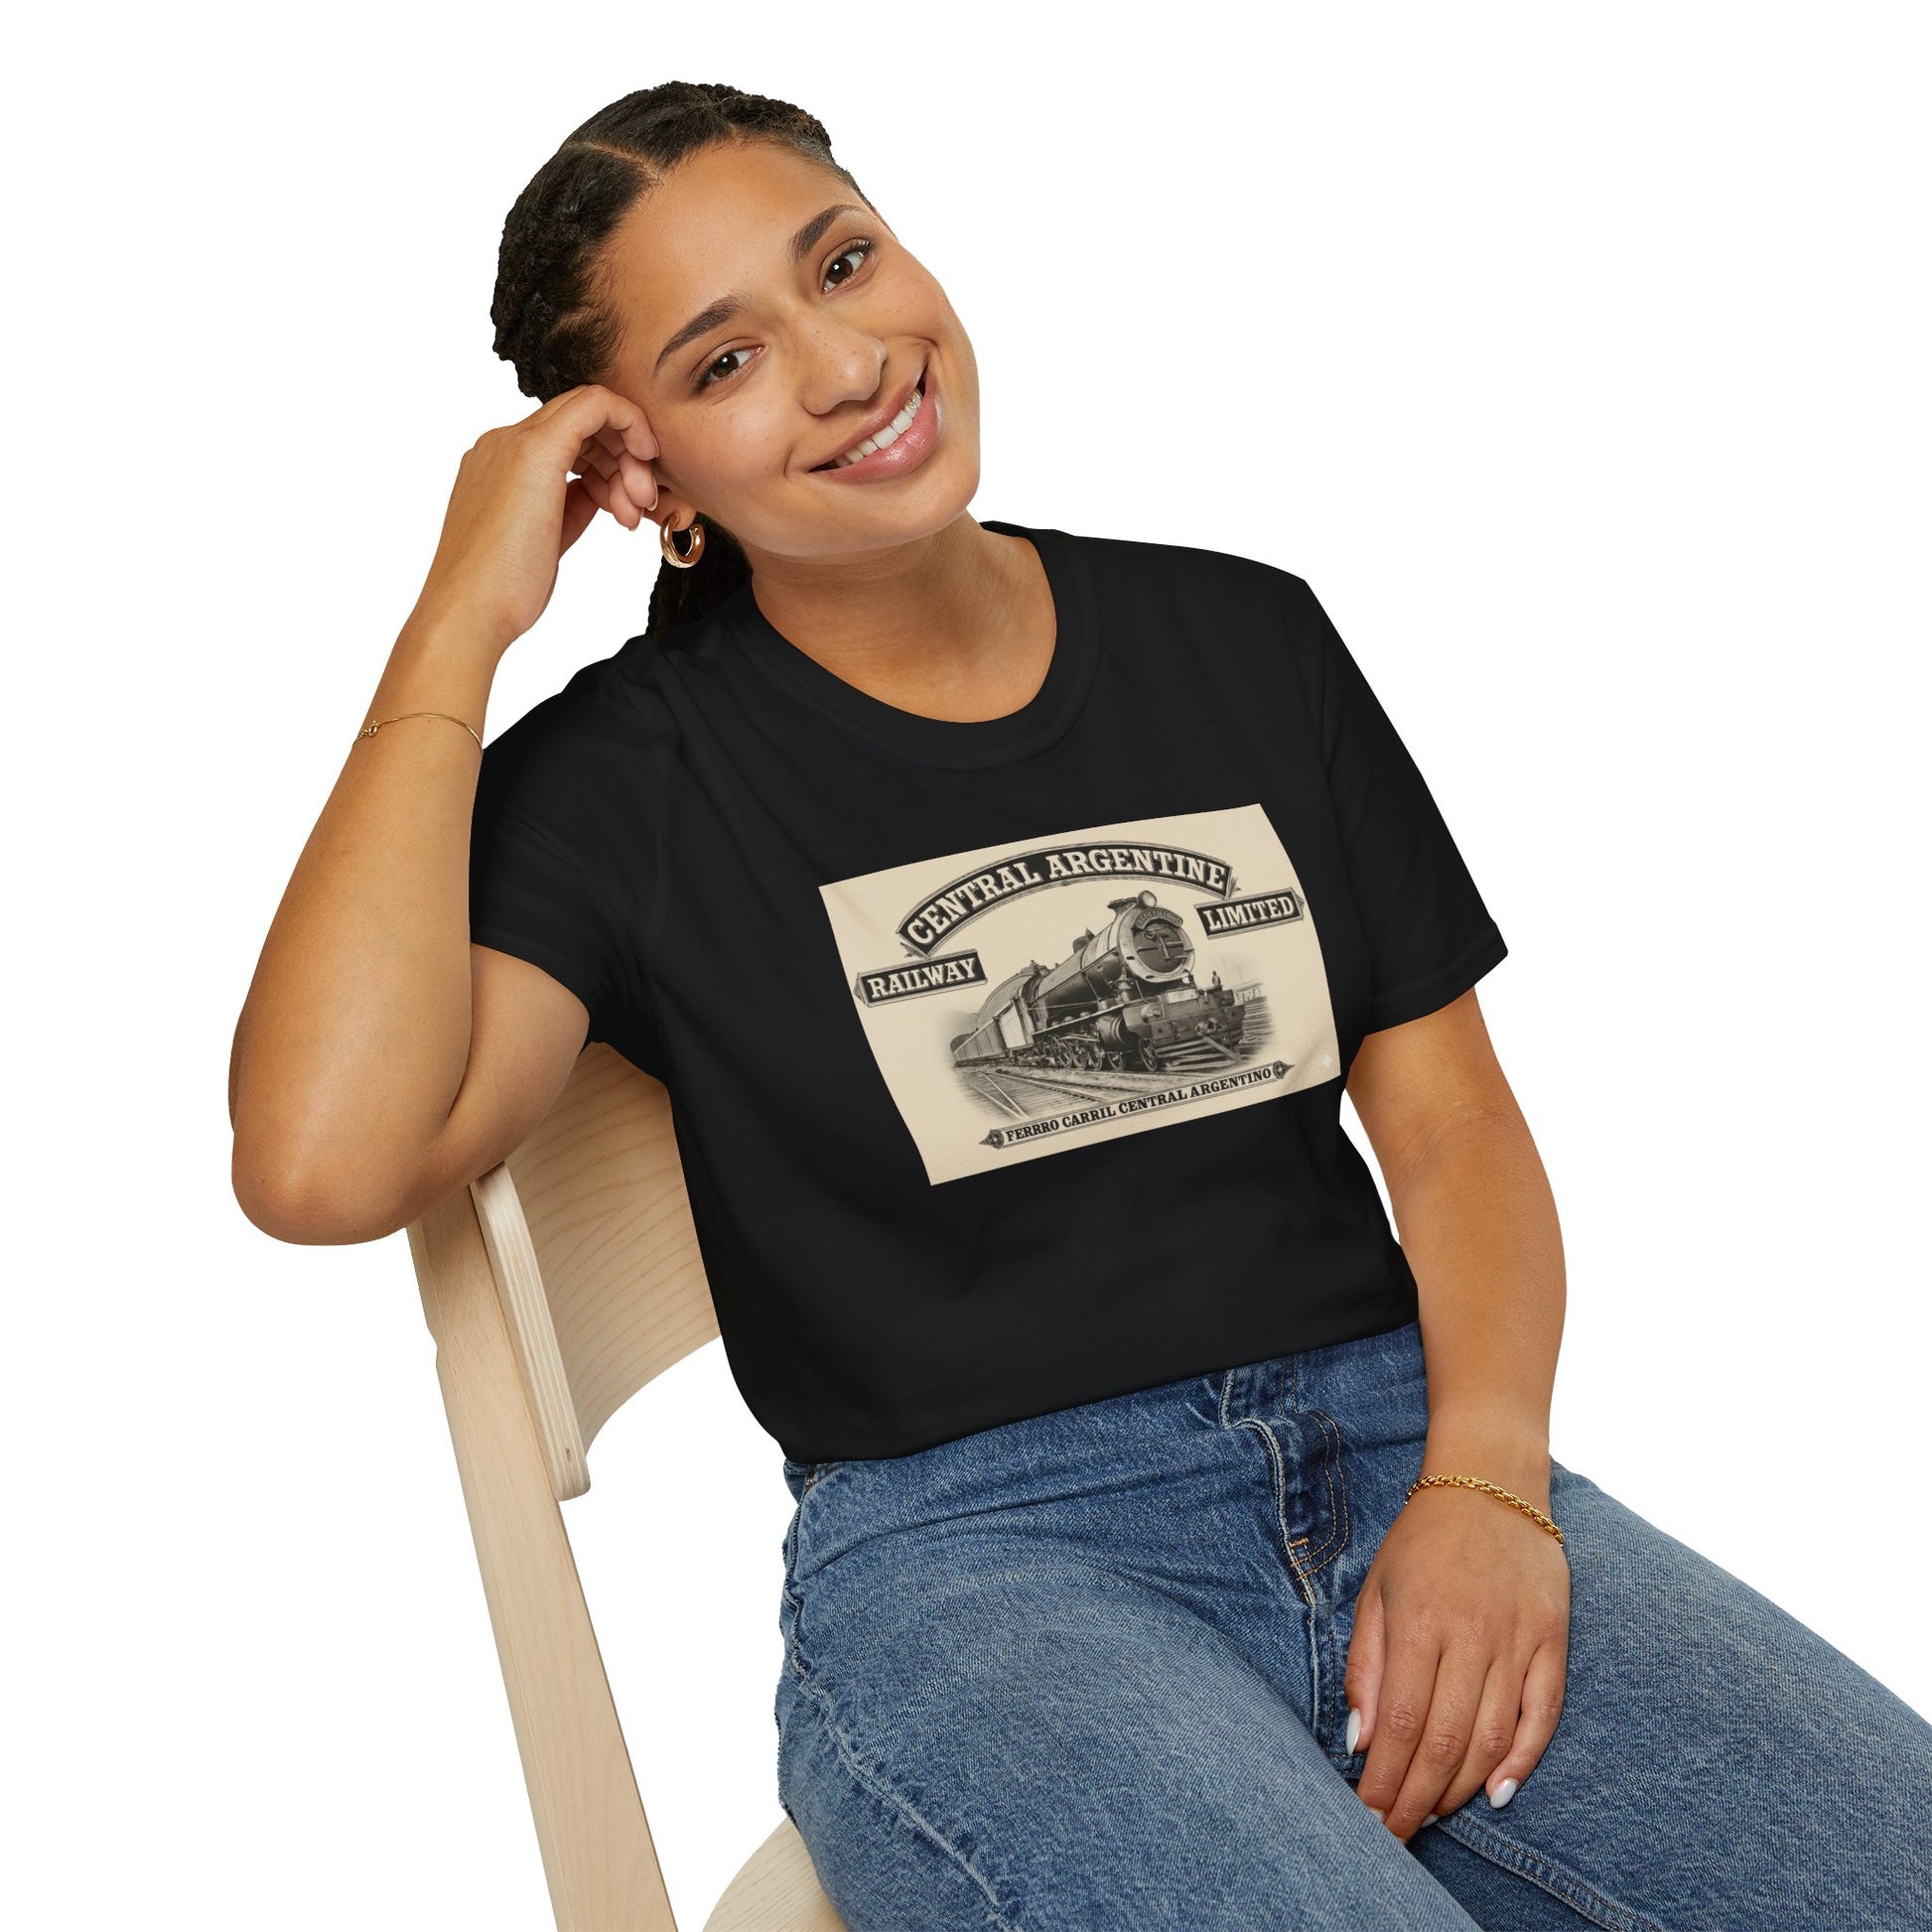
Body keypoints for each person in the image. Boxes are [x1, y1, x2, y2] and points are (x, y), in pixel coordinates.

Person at [228, 80, 1932, 1931]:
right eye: (725, 361)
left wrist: (1488, 1483)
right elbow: (320, 1161)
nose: (847, 365)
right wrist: (458, 619)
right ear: (650, 480)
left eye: (843, 264)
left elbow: (1452, 1128)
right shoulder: (628, 779)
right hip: (982, 1565)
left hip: (1407, 1447)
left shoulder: (1243, 639)